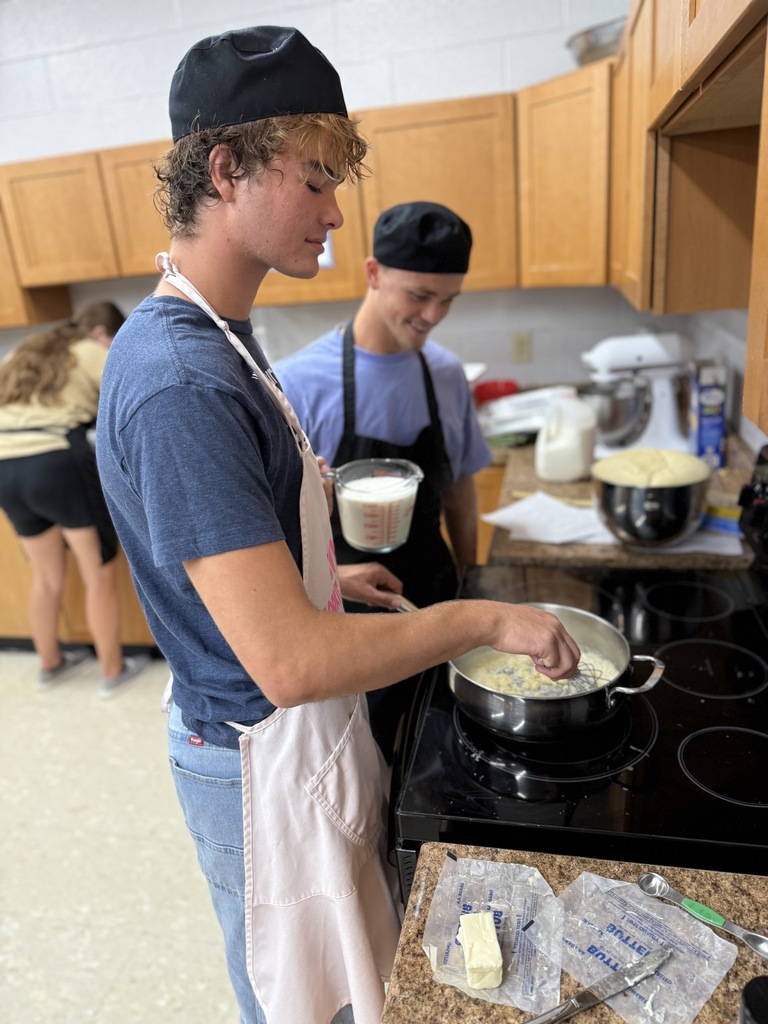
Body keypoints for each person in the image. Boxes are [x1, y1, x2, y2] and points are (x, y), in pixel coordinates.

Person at [95, 25, 580, 1024]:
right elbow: (290, 664)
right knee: (296, 1002)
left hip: (291, 748)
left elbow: (246, 580)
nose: (335, 207)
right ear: (224, 170)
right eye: (315, 177)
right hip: (256, 756)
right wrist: (484, 620)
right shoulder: (180, 378)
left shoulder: (224, 337)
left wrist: (322, 581)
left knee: (342, 984)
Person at [275, 201, 491, 759]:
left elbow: (460, 487)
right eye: (419, 295)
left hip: (437, 595)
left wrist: (471, 577)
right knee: (367, 760)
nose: (433, 315)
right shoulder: (301, 382)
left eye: (448, 300)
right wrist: (335, 576)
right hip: (345, 614)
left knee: (444, 749)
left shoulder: (444, 373)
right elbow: (274, 522)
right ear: (373, 274)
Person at [0, 301, 151, 695]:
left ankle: (49, 664)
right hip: (55, 463)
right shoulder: (92, 352)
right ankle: (113, 671)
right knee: (96, 573)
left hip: (5, 465)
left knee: (46, 575)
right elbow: (130, 399)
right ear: (103, 334)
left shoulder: (26, 349)